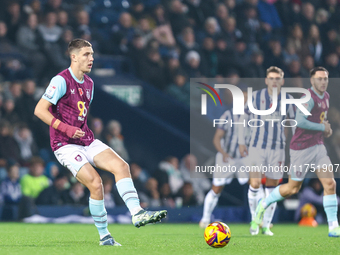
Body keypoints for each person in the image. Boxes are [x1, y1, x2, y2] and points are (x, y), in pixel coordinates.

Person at [34, 38, 167, 246]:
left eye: (92, 54)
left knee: (121, 166)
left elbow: (79, 114)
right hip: (64, 144)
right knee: (96, 183)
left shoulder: (89, 84)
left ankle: (137, 213)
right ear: (74, 57)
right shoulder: (60, 80)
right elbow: (39, 110)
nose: (91, 58)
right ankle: (105, 236)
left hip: (86, 140)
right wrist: (66, 128)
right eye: (86, 54)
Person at [254, 67, 340, 237]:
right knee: (293, 188)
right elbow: (299, 121)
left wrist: (325, 128)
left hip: (318, 147)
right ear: (312, 81)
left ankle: (333, 227)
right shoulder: (307, 98)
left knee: (330, 184)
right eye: (319, 79)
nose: (323, 82)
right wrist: (323, 127)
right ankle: (263, 203)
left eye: (325, 79)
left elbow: (318, 119)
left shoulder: (327, 97)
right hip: (301, 149)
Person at [238, 66, 296, 236]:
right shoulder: (256, 97)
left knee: (272, 189)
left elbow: (294, 126)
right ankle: (255, 221)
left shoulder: (289, 100)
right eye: (271, 78)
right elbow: (243, 118)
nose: (274, 81)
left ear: (282, 81)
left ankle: (266, 225)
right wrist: (242, 142)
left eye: (277, 78)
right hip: (256, 147)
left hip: (277, 149)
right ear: (266, 80)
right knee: (255, 184)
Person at [199, 87, 249, 228]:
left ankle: (261, 220)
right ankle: (205, 218)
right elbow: (217, 138)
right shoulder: (228, 115)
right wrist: (224, 153)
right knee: (217, 188)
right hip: (226, 157)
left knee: (255, 185)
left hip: (243, 158)